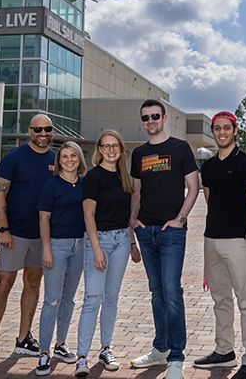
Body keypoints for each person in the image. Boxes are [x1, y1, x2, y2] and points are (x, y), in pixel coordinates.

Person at [0, 114, 57, 367]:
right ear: (29, 131)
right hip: (14, 233)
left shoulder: (58, 159)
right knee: (4, 284)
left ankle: (24, 337)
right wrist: (2, 229)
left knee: (33, 282)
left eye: (47, 129)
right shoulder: (14, 157)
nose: (42, 133)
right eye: (37, 129)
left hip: (43, 235)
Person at [129, 99, 200, 379]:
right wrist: (134, 223)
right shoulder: (138, 153)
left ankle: (176, 357)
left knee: (172, 292)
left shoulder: (180, 148)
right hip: (146, 231)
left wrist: (180, 219)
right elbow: (136, 192)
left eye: (155, 116)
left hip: (171, 233)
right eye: (146, 117)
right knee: (157, 292)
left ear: (165, 117)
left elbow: (193, 187)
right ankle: (160, 348)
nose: (151, 121)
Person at [194, 111, 246, 379]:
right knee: (220, 298)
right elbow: (211, 201)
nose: (222, 132)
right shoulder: (209, 166)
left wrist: (241, 229)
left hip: (237, 241)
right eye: (217, 128)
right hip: (211, 241)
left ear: (235, 131)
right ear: (213, 132)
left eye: (227, 128)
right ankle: (224, 350)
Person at [75, 130, 141, 377]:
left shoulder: (125, 177)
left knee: (111, 298)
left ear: (121, 150)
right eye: (106, 146)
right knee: (92, 300)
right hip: (99, 240)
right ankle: (82, 357)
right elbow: (88, 215)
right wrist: (96, 249)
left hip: (122, 240)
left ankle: (105, 348)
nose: (111, 150)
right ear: (99, 150)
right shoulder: (93, 178)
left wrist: (132, 244)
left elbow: (127, 215)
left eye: (115, 146)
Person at [35, 142, 88, 376]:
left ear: (79, 159)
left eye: (73, 155)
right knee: (52, 300)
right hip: (57, 245)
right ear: (59, 161)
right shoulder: (51, 184)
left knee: (69, 299)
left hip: (81, 245)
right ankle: (44, 352)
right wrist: (46, 249)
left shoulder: (86, 184)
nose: (68, 160)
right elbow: (43, 219)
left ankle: (60, 344)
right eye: (64, 156)